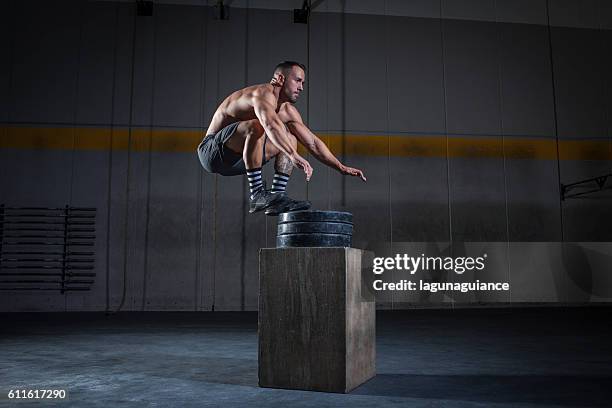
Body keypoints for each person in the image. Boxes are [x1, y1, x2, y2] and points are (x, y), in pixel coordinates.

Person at [197, 61, 366, 215]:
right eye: (297, 80)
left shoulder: (287, 111)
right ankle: (257, 194)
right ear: (280, 78)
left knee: (291, 137)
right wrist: (293, 155)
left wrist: (340, 167)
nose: (301, 87)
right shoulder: (262, 94)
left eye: (303, 83)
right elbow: (270, 125)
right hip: (212, 152)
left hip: (238, 161)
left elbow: (312, 142)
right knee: (256, 126)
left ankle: (276, 197)